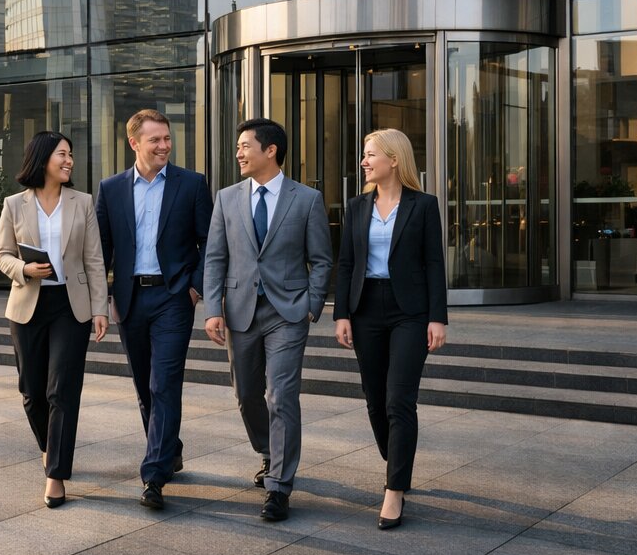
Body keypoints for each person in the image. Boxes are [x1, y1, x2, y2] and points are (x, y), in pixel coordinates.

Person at [203, 118, 332, 522]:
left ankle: (279, 486)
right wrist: (212, 309)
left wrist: (312, 303)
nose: (238, 153)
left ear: (270, 150)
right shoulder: (226, 198)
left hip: (288, 312)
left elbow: (322, 259)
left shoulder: (306, 199)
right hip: (240, 310)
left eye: (244, 146)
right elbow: (215, 258)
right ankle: (268, 451)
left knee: (280, 395)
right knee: (246, 395)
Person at [95, 109, 212, 510]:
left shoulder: (192, 184)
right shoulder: (110, 189)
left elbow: (208, 243)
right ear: (134, 144)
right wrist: (104, 297)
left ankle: (154, 475)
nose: (164, 145)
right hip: (130, 299)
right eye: (155, 140)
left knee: (164, 382)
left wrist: (195, 289)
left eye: (166, 138)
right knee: (145, 385)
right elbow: (101, 251)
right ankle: (170, 447)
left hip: (173, 298)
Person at [334, 128, 448, 531]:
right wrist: (342, 313)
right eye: (364, 155)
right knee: (375, 400)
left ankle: (394, 488)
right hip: (366, 310)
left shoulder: (423, 205)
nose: (364, 161)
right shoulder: (357, 206)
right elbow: (346, 263)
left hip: (410, 313)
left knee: (399, 400)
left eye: (370, 155)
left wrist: (438, 317)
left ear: (394, 159)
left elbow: (435, 263)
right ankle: (399, 460)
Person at [0, 131, 109, 509]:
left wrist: (99, 309)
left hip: (69, 306)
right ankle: (49, 447)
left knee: (62, 390)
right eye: (63, 154)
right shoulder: (14, 204)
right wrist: (24, 268)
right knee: (31, 391)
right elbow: (2, 255)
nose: (69, 160)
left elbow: (94, 259)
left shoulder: (83, 202)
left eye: (71, 155)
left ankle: (56, 474)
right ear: (43, 158)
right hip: (28, 304)